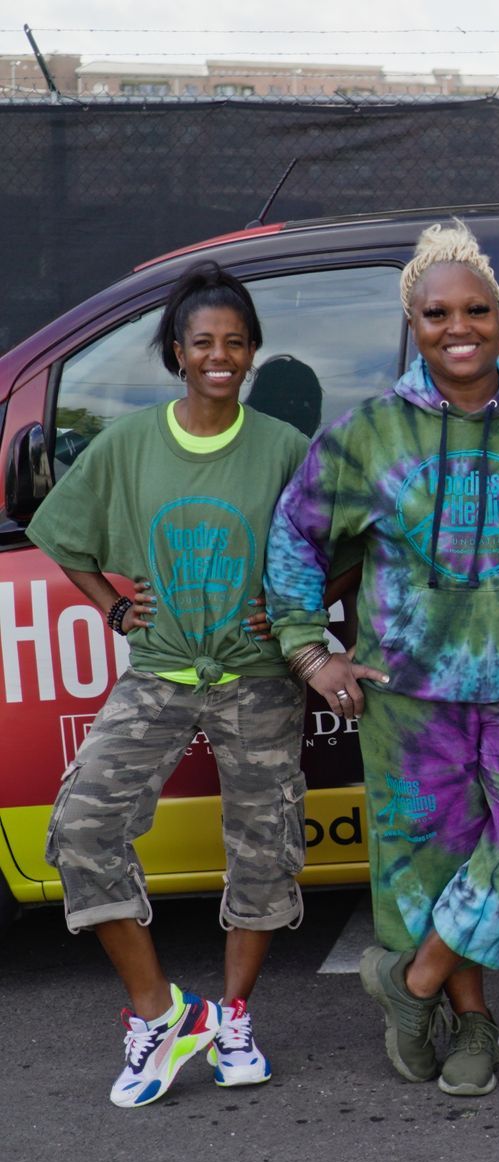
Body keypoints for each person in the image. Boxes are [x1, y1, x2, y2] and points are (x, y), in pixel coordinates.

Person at [268, 221, 499, 1098]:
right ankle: (473, 1022)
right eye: (437, 314)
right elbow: (295, 536)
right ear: (413, 323)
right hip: (408, 700)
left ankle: (412, 981)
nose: (458, 327)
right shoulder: (370, 434)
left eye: (475, 310)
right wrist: (311, 652)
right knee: (428, 871)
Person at [29, 264, 310, 1108]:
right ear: (176, 353)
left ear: (252, 353)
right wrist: (115, 608)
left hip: (258, 679)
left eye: (236, 342)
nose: (220, 356)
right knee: (83, 828)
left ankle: (234, 1019)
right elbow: (63, 533)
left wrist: (292, 609)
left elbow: (341, 549)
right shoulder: (129, 443)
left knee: (263, 850)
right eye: (202, 342)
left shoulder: (284, 449)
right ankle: (163, 1014)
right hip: (159, 672)